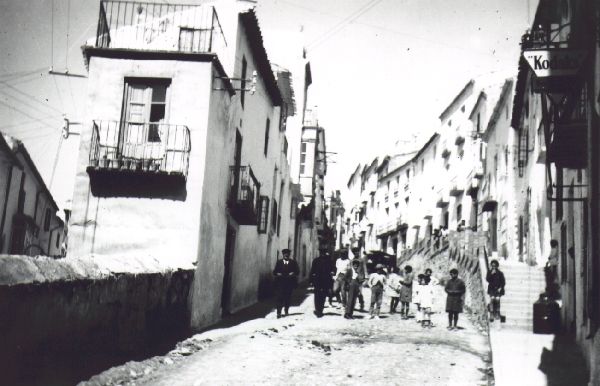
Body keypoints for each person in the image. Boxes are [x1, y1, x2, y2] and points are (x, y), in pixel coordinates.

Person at [273, 249, 300, 319]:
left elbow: (297, 271)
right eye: (285, 254)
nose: (286, 255)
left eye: (287, 254)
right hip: (280, 283)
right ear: (283, 255)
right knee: (279, 297)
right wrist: (277, 274)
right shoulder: (279, 262)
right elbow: (274, 272)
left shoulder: (293, 263)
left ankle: (286, 310)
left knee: (288, 297)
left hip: (289, 283)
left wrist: (293, 273)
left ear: (289, 255)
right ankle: (278, 312)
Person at [310, 247, 336, 317]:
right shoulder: (316, 261)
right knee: (317, 295)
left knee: (323, 295)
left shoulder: (329, 261)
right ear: (320, 253)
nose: (323, 254)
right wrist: (311, 281)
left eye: (324, 253)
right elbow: (312, 271)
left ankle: (320, 310)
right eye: (321, 253)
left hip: (326, 280)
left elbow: (333, 269)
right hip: (317, 281)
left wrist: (333, 272)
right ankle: (317, 309)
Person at [351, 247, 366, 311]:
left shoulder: (362, 260)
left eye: (357, 251)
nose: (356, 253)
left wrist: (366, 277)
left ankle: (361, 304)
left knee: (359, 292)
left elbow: (364, 268)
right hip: (354, 278)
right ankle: (353, 305)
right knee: (354, 292)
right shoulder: (352, 260)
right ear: (353, 253)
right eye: (355, 252)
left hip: (360, 278)